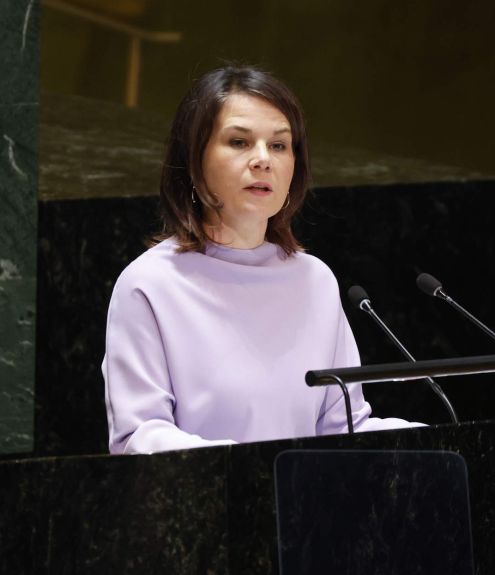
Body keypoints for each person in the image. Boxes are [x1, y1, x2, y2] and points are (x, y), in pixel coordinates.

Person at [102, 65, 421, 454]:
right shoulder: (150, 284)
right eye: (239, 142)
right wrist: (242, 470)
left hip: (301, 506)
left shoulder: (314, 279)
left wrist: (426, 438)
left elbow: (340, 429)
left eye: (279, 145)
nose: (262, 159)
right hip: (208, 507)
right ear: (193, 160)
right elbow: (140, 434)